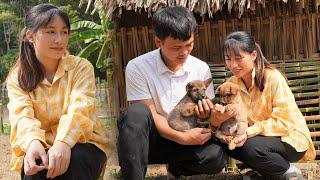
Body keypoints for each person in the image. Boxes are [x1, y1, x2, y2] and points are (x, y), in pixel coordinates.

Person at [117, 6, 232, 180]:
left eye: (189, 45)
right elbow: (151, 114)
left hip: (186, 134)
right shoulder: (137, 67)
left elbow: (204, 117)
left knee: (215, 156)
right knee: (135, 113)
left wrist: (204, 116)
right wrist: (181, 138)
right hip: (152, 141)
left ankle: (176, 170)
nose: (184, 52)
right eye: (176, 47)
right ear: (158, 42)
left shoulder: (200, 68)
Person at [6, 4, 109, 180]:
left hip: (83, 144)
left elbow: (80, 109)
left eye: (64, 32)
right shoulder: (18, 77)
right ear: (30, 36)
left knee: (75, 158)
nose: (59, 39)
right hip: (41, 144)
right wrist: (32, 142)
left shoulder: (81, 68)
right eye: (51, 32)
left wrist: (63, 142)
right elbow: (21, 116)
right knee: (35, 165)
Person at [215, 31, 316, 179]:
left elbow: (283, 122)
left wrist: (248, 132)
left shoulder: (273, 78)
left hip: (289, 137)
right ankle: (267, 173)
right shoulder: (233, 83)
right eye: (228, 59)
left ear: (253, 55)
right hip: (258, 138)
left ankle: (288, 171)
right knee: (225, 142)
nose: (233, 65)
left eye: (239, 58)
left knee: (250, 146)